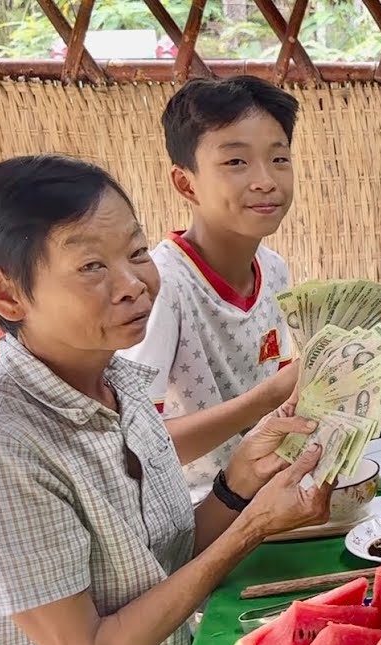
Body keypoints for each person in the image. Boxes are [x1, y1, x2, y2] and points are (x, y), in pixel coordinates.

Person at [0, 155, 334, 645]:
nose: (135, 283)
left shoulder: (113, 377)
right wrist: (253, 526)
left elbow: (166, 558)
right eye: (92, 266)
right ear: (6, 294)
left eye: (137, 253)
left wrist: (238, 484)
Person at [122, 76, 302, 504]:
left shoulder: (273, 270)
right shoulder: (163, 286)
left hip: (263, 488)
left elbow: (276, 380)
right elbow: (133, 450)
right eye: (236, 163)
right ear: (186, 184)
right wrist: (271, 396)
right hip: (190, 509)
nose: (265, 180)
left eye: (279, 159)